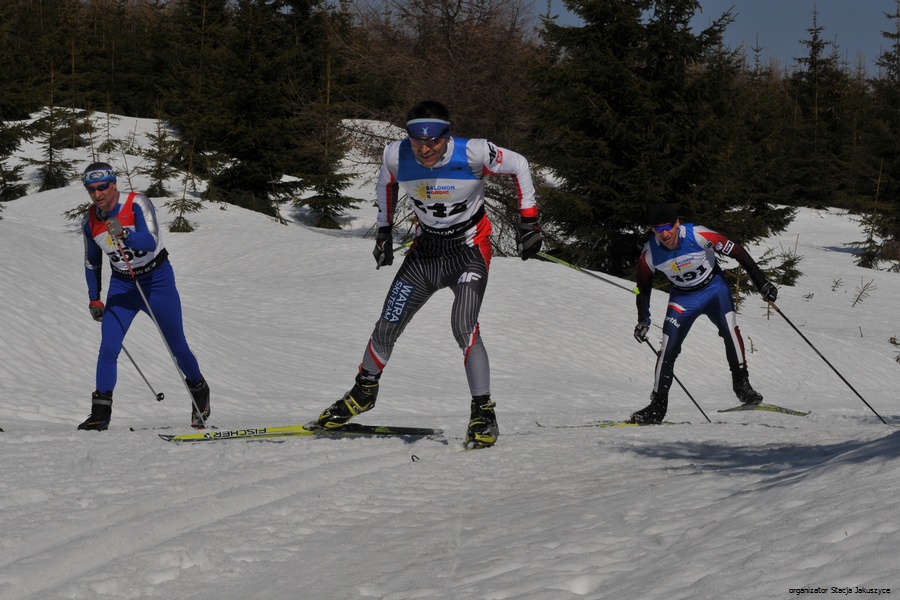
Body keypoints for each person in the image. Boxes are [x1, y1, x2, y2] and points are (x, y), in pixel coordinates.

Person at [315, 100, 542, 448]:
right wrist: (383, 232)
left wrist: (529, 222)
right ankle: (364, 391)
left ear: (447, 135)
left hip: (468, 252)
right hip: (426, 254)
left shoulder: (474, 153)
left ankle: (483, 411)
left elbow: (520, 166)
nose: (425, 148)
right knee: (388, 322)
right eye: (417, 140)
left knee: (463, 325)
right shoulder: (395, 155)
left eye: (434, 140)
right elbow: (384, 184)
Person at [78, 162, 209, 431]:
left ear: (114, 184)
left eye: (103, 187)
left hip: (156, 281)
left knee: (177, 346)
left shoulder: (136, 203)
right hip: (123, 286)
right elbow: (92, 262)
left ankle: (199, 390)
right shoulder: (90, 221)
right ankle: (100, 414)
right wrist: (94, 298)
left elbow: (150, 240)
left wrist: (125, 234)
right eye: (91, 189)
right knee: (109, 346)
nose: (97, 194)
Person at [630, 204, 778, 424]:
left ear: (677, 223)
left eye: (668, 226)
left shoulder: (699, 235)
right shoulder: (650, 253)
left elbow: (738, 251)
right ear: (653, 230)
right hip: (682, 300)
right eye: (658, 229)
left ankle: (742, 386)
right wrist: (643, 319)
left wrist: (762, 283)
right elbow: (642, 286)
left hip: (714, 291)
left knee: (730, 330)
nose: (665, 233)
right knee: (668, 345)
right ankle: (657, 406)